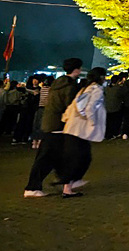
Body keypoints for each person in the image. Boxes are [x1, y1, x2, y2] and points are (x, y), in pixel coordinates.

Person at [24, 57, 83, 198]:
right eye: (79, 68)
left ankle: (65, 184)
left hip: (50, 123)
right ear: (76, 69)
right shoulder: (70, 86)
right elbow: (71, 107)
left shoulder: (58, 83)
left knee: (54, 156)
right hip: (59, 125)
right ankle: (33, 187)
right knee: (47, 157)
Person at [59, 67, 107, 197]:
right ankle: (68, 186)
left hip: (72, 127)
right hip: (81, 129)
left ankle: (70, 183)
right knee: (80, 157)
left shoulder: (83, 89)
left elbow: (72, 106)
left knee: (78, 156)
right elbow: (90, 108)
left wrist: (66, 118)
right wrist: (92, 123)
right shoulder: (96, 90)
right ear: (101, 77)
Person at [104, 74, 125, 139]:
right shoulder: (119, 88)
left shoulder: (106, 88)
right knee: (116, 121)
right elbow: (123, 96)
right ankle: (115, 133)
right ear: (118, 81)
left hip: (107, 107)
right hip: (116, 108)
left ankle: (107, 134)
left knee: (108, 122)